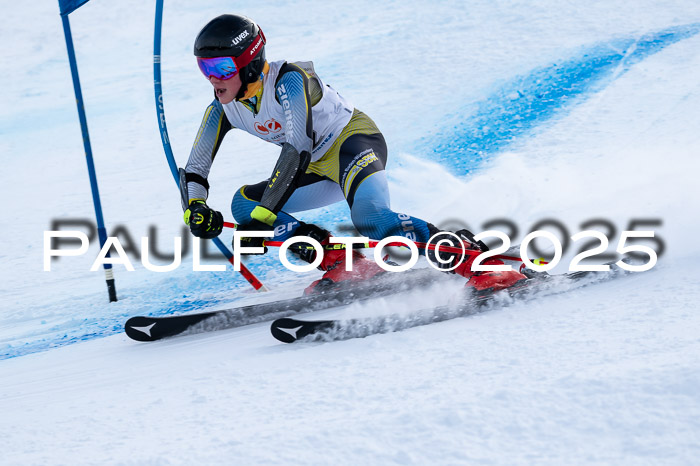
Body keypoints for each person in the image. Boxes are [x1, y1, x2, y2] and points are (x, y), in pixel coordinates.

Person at [183, 14, 525, 291]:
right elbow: (195, 168)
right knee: (244, 204)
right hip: (315, 167)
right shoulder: (222, 109)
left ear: (251, 63)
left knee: (372, 220)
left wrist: (263, 220)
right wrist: (195, 209)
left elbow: (296, 148)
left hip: (352, 142)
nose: (213, 79)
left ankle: (475, 259)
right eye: (205, 69)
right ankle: (344, 262)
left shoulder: (289, 80)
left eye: (222, 68)